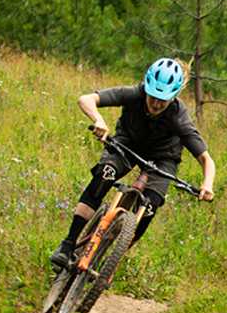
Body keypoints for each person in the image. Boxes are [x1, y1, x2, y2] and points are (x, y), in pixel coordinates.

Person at [50, 57, 216, 269]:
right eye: (153, 96)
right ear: (146, 87)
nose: (156, 104)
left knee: (150, 204)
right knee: (105, 174)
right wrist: (99, 120)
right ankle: (68, 244)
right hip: (128, 144)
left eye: (162, 100)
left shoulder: (179, 116)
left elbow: (206, 159)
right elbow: (86, 99)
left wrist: (207, 184)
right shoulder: (134, 94)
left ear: (173, 97)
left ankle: (111, 259)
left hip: (163, 158)